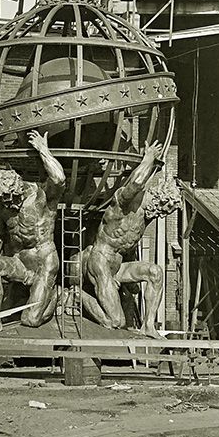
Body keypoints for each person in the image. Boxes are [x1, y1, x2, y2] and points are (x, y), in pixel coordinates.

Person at [72, 141, 182, 338]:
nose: (160, 213)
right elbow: (136, 182)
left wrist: (131, 282)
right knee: (115, 321)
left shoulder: (147, 215)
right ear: (157, 198)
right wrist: (148, 159)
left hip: (118, 265)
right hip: (100, 261)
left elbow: (129, 246)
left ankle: (148, 326)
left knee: (155, 272)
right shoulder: (124, 203)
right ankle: (74, 295)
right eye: (162, 208)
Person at [0, 130, 65, 336]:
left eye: (10, 200)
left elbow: (59, 179)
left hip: (44, 261)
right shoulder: (4, 206)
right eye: (4, 201)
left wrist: (43, 149)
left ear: (19, 189)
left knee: (30, 320)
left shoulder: (40, 198)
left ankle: (55, 295)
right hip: (21, 262)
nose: (8, 205)